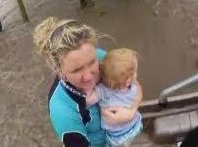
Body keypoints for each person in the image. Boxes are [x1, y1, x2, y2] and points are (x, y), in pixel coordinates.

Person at [33, 17, 142, 147]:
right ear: (60, 71)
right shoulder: (62, 110)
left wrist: (131, 112)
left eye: (91, 62)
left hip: (128, 131)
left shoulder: (102, 59)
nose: (89, 76)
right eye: (77, 70)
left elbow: (133, 84)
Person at [88, 48, 143, 146]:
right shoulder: (133, 87)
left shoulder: (102, 91)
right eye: (135, 72)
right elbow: (139, 90)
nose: (136, 74)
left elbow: (88, 100)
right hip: (135, 125)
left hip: (117, 136)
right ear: (128, 81)